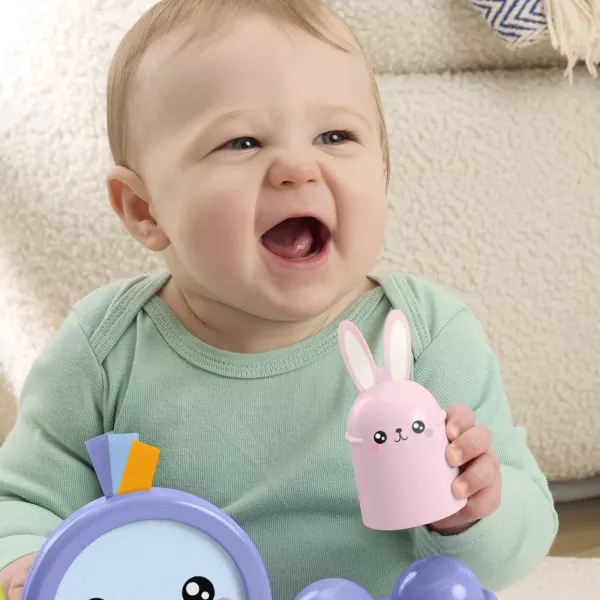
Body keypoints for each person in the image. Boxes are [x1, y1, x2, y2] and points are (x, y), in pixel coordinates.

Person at [0, 0, 558, 598]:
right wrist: (28, 562)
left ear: (383, 171)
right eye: (241, 142)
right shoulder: (104, 350)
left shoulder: (425, 335)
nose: (297, 167)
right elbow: (23, 501)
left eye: (335, 136)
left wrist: (470, 514)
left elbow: (521, 538)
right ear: (144, 209)